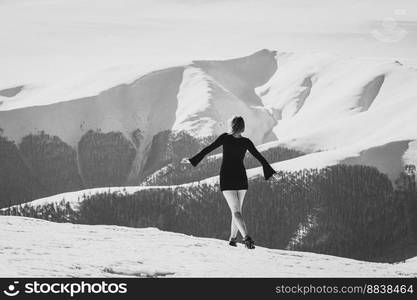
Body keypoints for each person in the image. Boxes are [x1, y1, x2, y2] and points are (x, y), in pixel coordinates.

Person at [185, 116, 277, 249]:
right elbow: (259, 157)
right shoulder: (246, 142)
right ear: (242, 127)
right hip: (241, 179)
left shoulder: (225, 138)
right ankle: (233, 239)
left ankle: (246, 237)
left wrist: (193, 160)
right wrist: (269, 171)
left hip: (227, 178)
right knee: (237, 211)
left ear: (232, 125)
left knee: (236, 211)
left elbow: (208, 149)